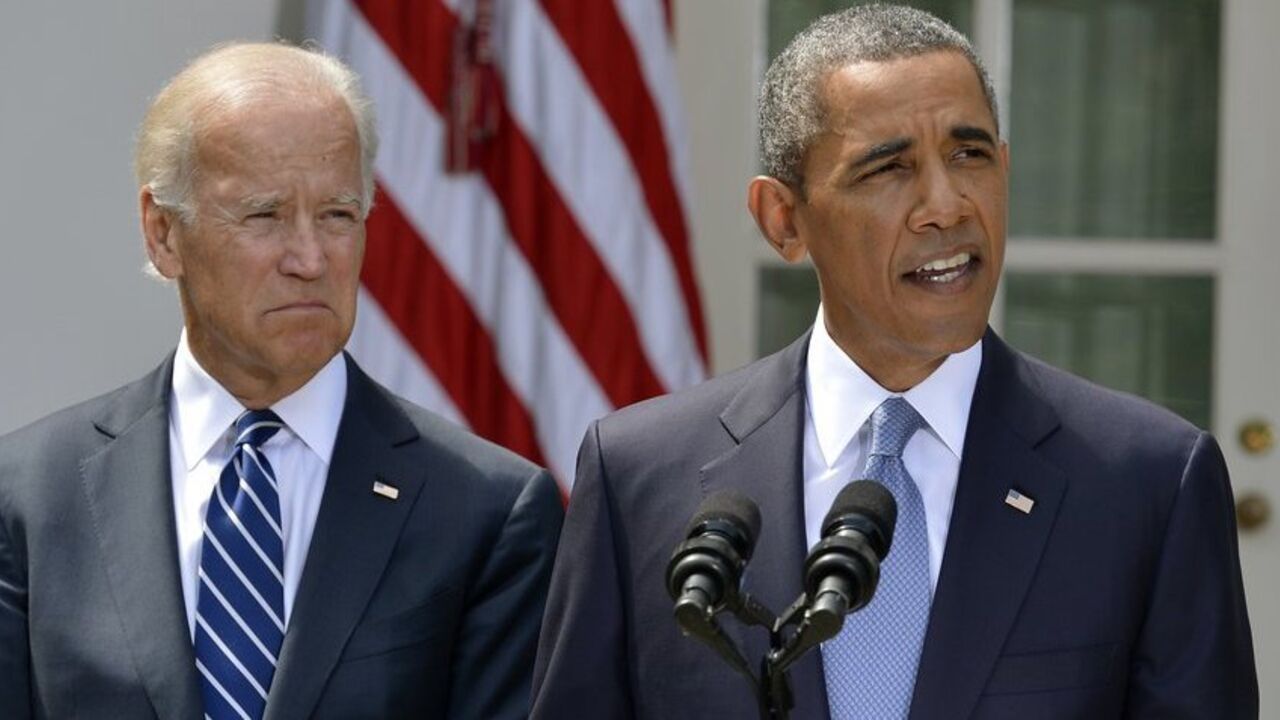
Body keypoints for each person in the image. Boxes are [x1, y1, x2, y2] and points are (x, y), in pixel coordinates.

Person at [531, 5, 1256, 719]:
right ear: (783, 219)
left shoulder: (1149, 483)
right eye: (888, 170)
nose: (945, 205)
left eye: (970, 155)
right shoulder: (638, 474)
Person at [0, 42, 562, 719]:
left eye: (337, 215)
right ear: (162, 233)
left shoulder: (485, 511)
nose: (309, 258)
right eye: (264, 215)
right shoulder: (32, 497)